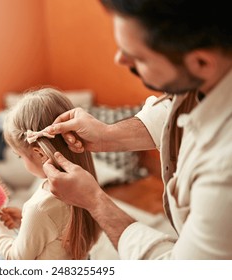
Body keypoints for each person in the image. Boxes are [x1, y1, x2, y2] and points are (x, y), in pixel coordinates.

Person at [42, 0, 232, 259]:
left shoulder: (224, 171)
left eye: (137, 57)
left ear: (201, 62)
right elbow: (178, 108)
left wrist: (94, 201)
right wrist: (107, 136)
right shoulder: (213, 68)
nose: (119, 59)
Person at [0, 88, 101, 260]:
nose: (20, 159)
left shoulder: (40, 208)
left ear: (40, 154)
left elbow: (16, 258)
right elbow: (57, 227)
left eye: (20, 156)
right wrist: (25, 221)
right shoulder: (86, 182)